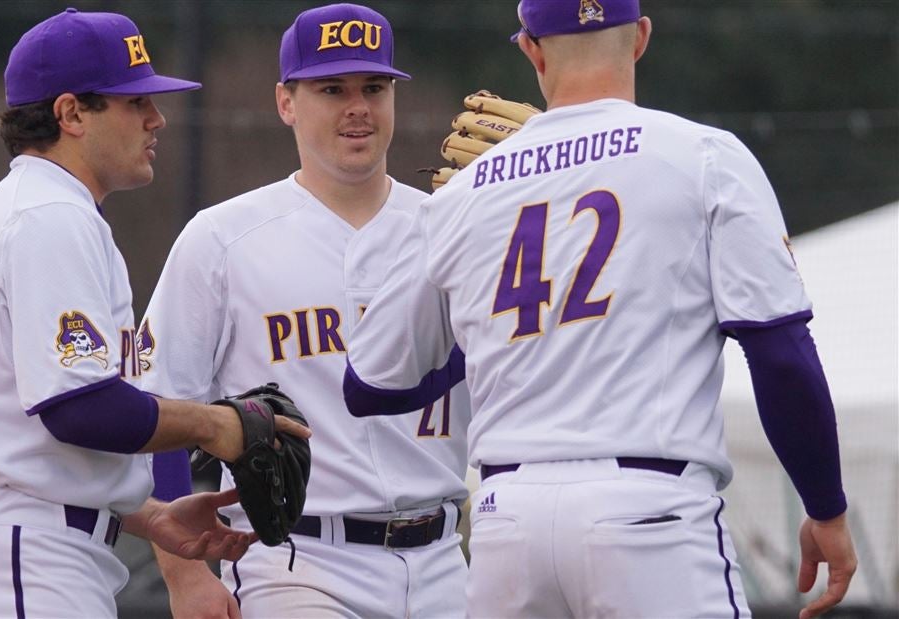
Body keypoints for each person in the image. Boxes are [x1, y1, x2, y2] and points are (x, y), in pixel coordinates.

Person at [345, 0, 858, 617]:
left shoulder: (467, 195)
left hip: (508, 522)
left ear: (530, 48)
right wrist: (825, 504)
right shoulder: (704, 157)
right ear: (640, 38)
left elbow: (370, 385)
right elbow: (780, 354)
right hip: (650, 512)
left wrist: (490, 324)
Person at [0, 9, 308, 618]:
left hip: (23, 550)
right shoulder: (49, 215)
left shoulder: (28, 208)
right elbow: (80, 409)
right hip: (23, 558)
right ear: (71, 114)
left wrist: (149, 516)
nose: (157, 119)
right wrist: (216, 425)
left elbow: (41, 422)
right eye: (134, 102)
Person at [137, 3, 471, 617]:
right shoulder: (222, 239)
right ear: (286, 102)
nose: (358, 107)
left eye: (375, 87)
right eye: (331, 89)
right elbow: (161, 409)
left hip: (445, 561)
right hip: (298, 562)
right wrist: (185, 577)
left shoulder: (453, 229)